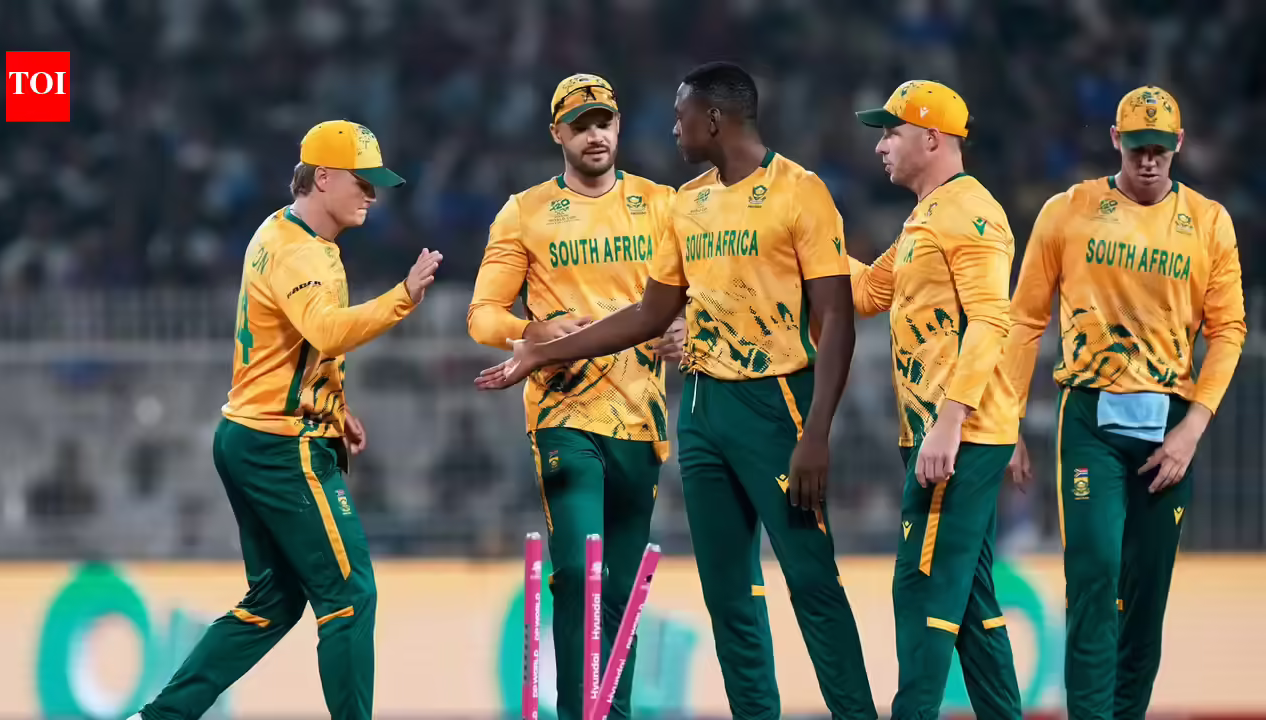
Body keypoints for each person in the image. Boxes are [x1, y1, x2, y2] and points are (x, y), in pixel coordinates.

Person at [477, 61, 876, 720]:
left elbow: (832, 312)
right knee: (720, 594)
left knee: (810, 580)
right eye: (581, 124)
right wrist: (537, 346)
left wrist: (816, 431)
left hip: (768, 404)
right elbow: (647, 314)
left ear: (713, 119)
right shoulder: (683, 203)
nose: (671, 127)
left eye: (680, 115)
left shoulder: (793, 192)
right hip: (691, 410)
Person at [132, 120, 441, 720]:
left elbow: (292, 347)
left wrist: (333, 407)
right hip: (281, 444)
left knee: (272, 602)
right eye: (362, 181)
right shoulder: (301, 251)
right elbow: (325, 329)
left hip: (250, 433)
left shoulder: (279, 230)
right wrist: (403, 295)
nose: (372, 195)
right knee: (349, 593)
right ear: (323, 177)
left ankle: (161, 717)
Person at [1002, 86, 1247, 720]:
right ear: (1115, 139)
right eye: (1137, 147)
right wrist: (1007, 416)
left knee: (1146, 595)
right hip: (1091, 418)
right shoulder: (1068, 211)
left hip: (1171, 426)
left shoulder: (1209, 223)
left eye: (1160, 149)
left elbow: (1229, 331)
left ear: (1179, 145)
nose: (1148, 160)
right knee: (1093, 575)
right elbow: (1025, 318)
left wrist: (1193, 428)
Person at [466, 73, 682, 720]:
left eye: (603, 122)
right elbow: (482, 315)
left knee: (622, 591)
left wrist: (687, 327)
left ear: (619, 127)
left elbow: (702, 291)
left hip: (642, 419)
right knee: (579, 574)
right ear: (557, 134)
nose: (594, 135)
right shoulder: (525, 212)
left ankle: (613, 714)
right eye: (580, 125)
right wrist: (529, 331)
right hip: (565, 415)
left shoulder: (662, 205)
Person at [850, 80, 1023, 719]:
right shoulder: (928, 215)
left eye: (890, 133)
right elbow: (868, 292)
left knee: (921, 587)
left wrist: (949, 424)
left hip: (956, 437)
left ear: (930, 138)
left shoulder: (972, 214)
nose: (880, 147)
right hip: (938, 434)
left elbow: (991, 321)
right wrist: (804, 244)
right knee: (970, 599)